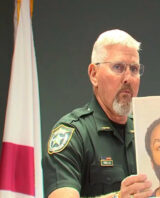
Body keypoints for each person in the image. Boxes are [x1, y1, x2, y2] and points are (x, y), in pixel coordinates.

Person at [42, 29, 153, 198]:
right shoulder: (73, 134)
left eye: (134, 69)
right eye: (118, 67)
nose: (128, 78)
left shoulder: (149, 131)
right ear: (94, 74)